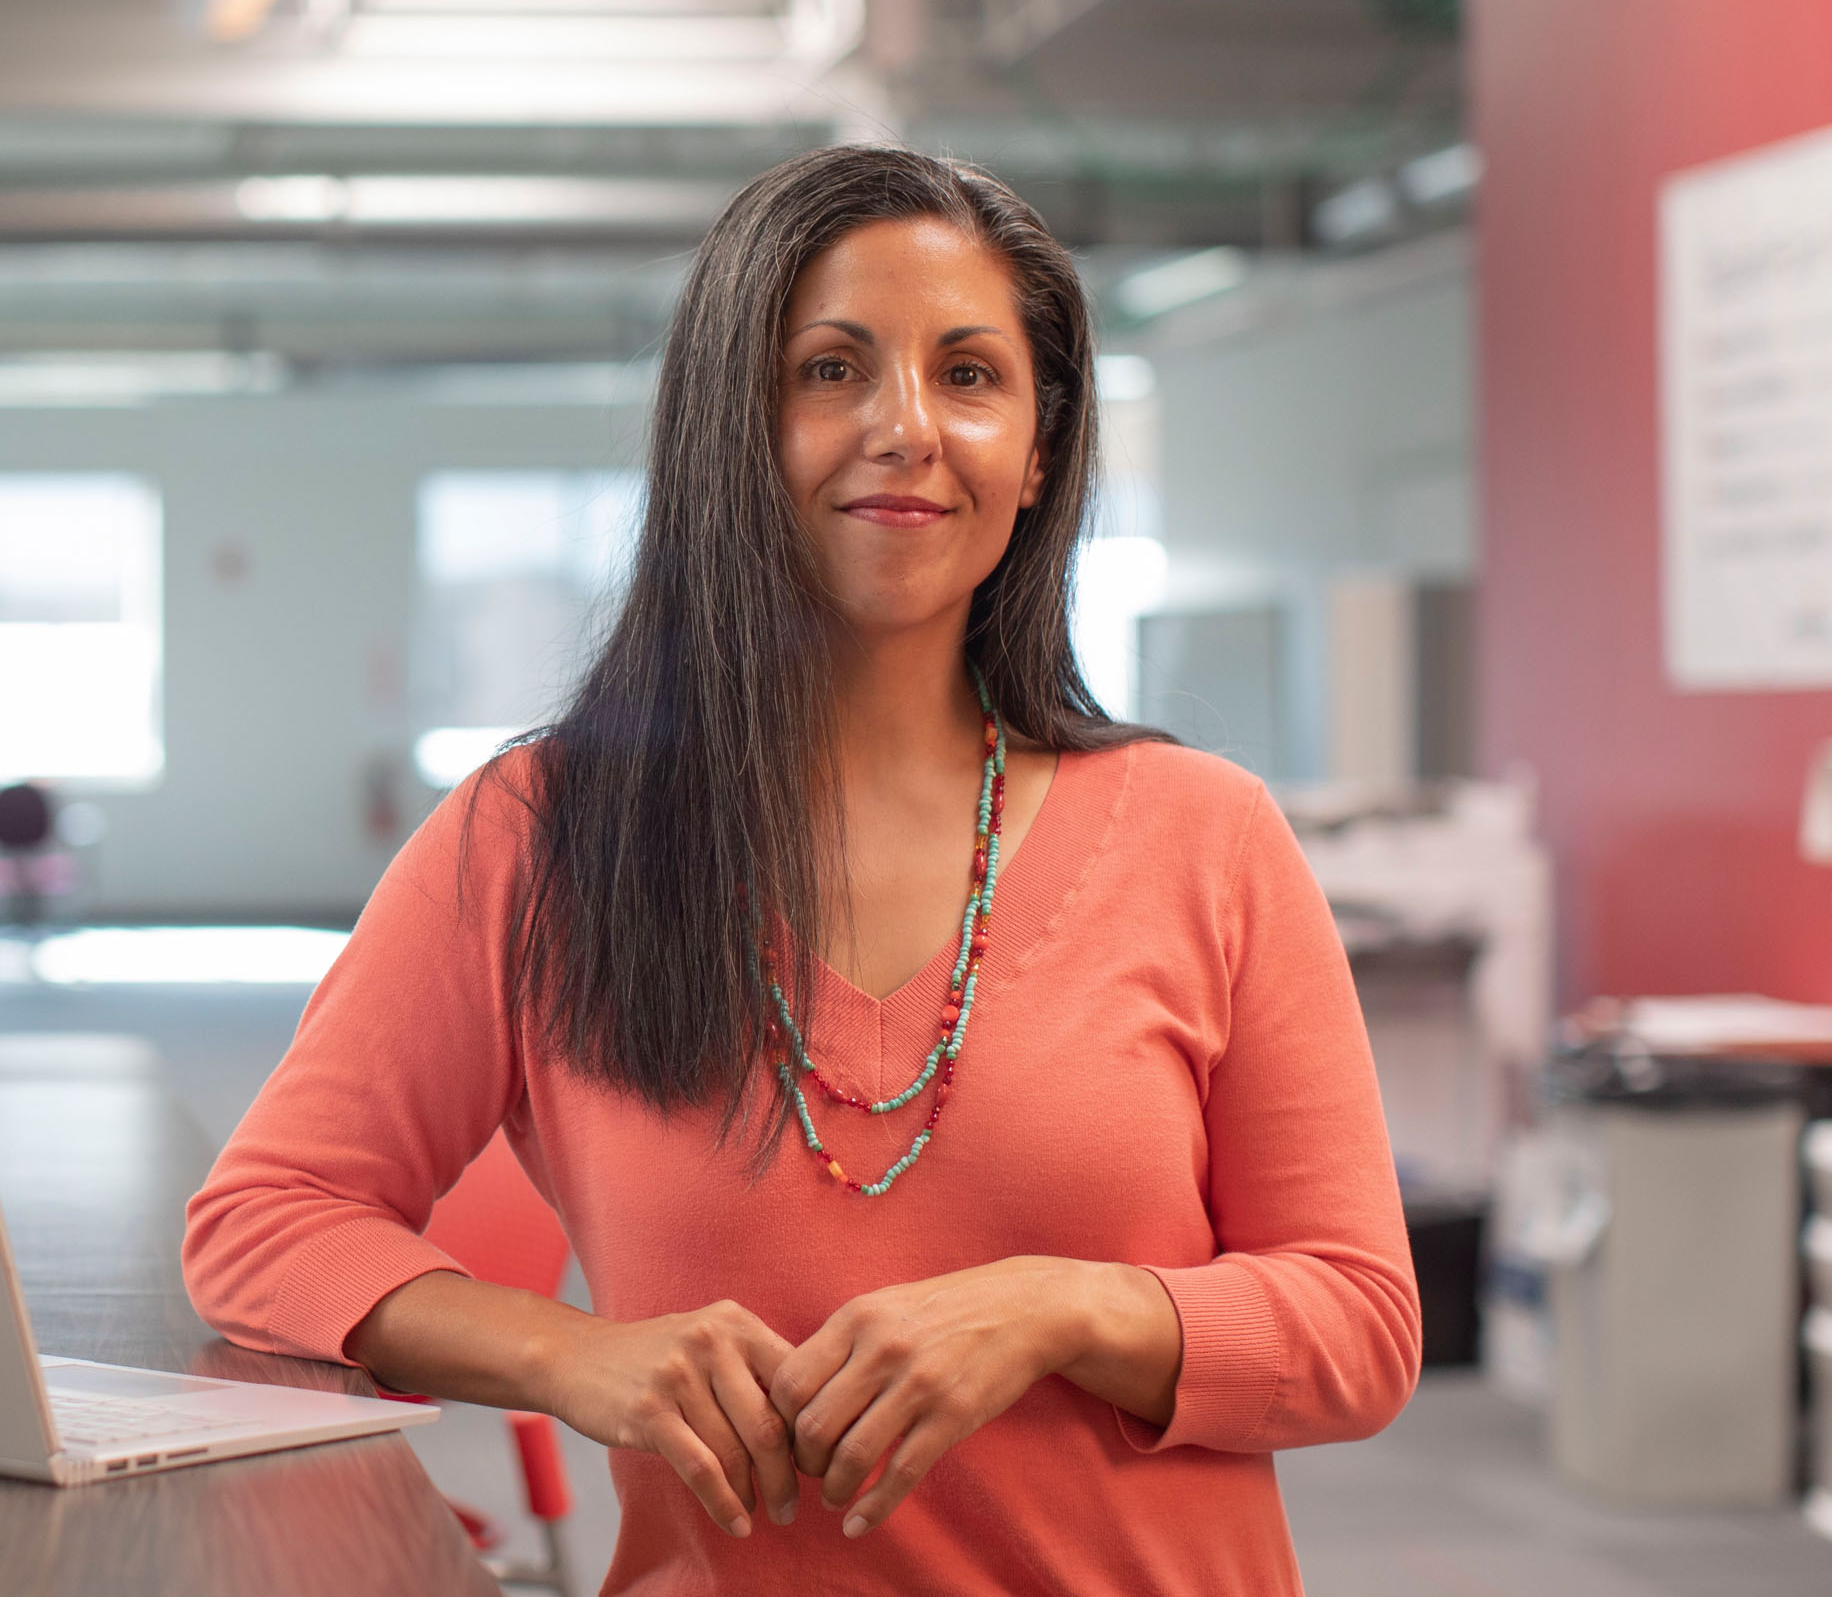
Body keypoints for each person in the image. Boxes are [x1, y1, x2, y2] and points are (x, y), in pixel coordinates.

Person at [184, 147, 1419, 1595]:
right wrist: (568, 1355)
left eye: (970, 376)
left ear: (1037, 452)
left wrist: (1065, 1311)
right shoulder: (539, 837)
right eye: (832, 370)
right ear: (733, 426)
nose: (907, 428)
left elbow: (1362, 1326)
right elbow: (264, 1225)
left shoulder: (1207, 835)